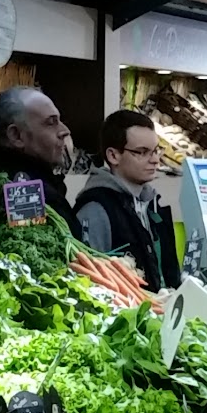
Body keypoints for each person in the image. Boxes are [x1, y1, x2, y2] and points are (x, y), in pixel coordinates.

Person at [72, 109, 181, 292]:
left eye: (156, 151)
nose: (155, 160)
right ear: (113, 156)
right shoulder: (95, 210)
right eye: (142, 152)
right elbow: (89, 282)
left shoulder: (150, 203)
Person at [0, 86, 78, 234]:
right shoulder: (31, 195)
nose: (64, 131)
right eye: (51, 123)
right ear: (16, 136)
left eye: (59, 120)